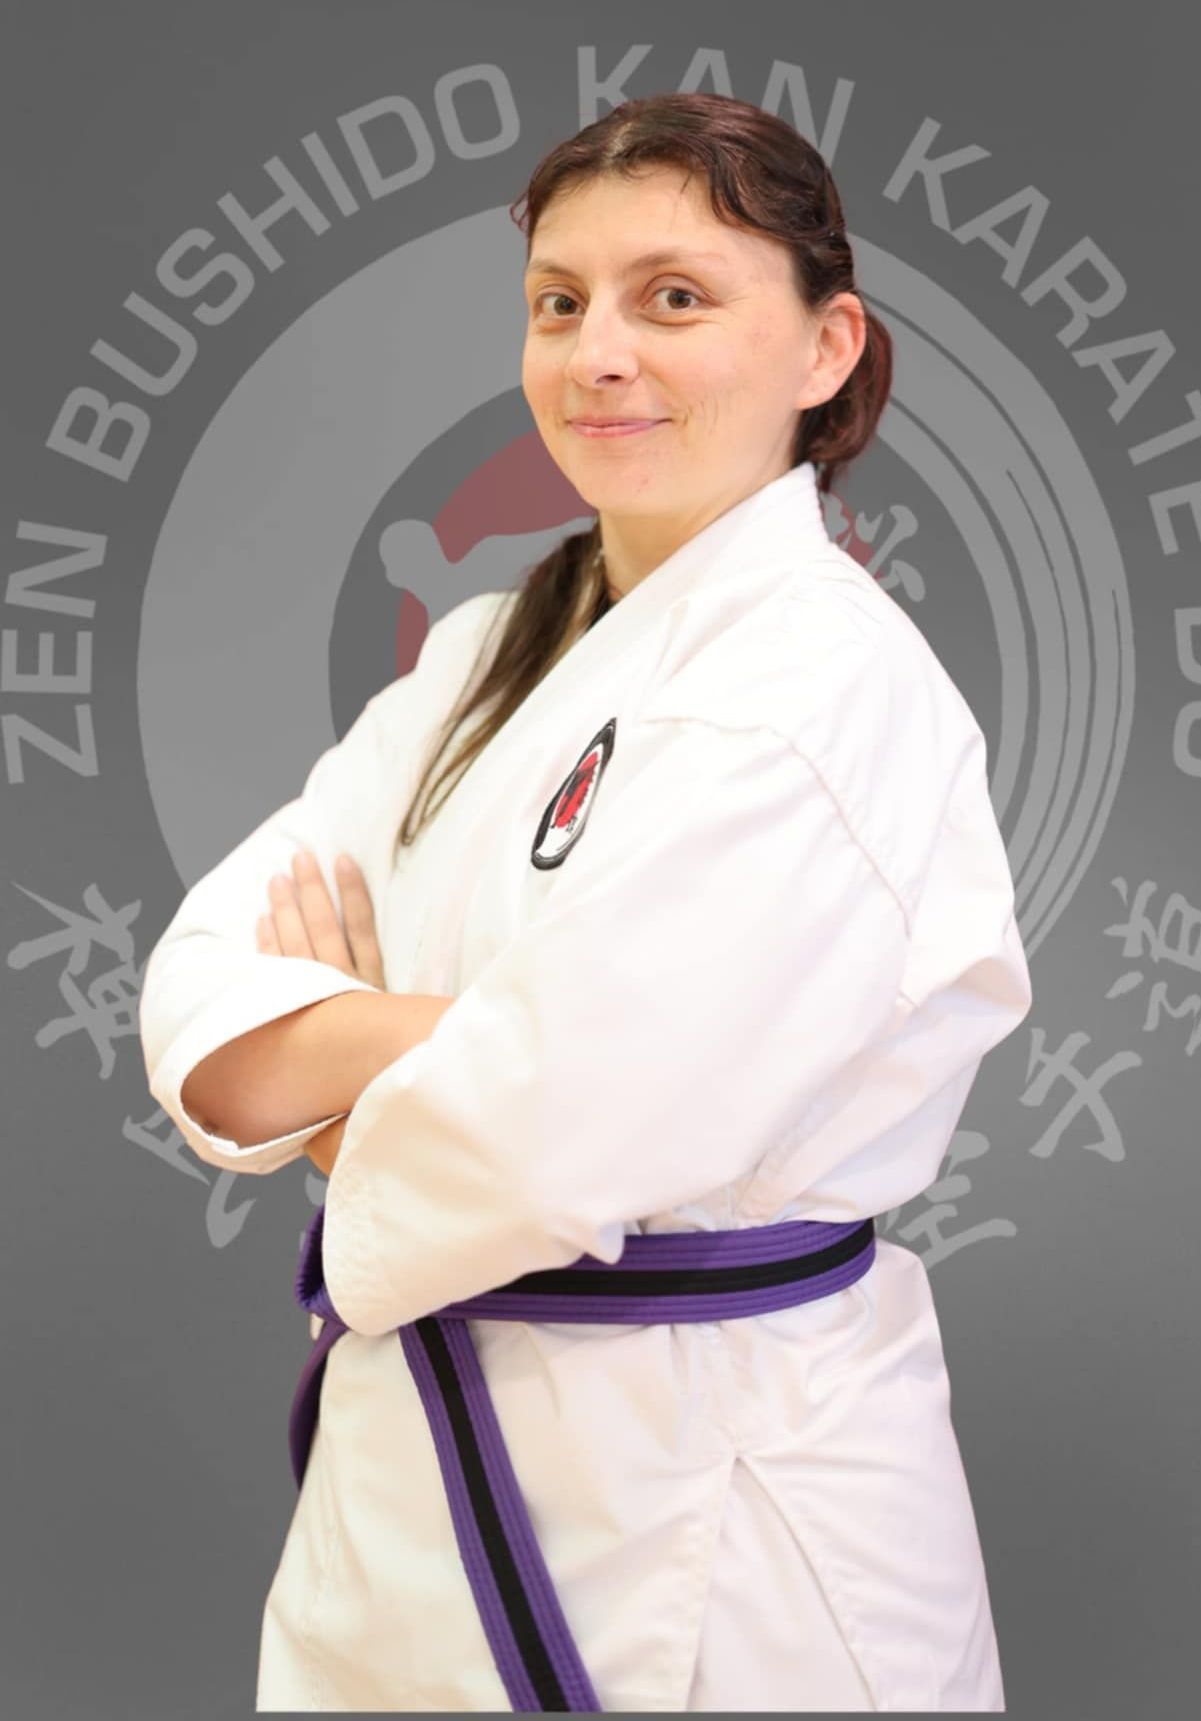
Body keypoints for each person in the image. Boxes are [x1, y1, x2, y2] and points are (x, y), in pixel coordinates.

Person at [139, 91, 1032, 1712]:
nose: (595, 353)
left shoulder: (824, 686)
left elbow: (564, 1133)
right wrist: (469, 1044)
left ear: (827, 346)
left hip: (715, 1505)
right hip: (403, 1473)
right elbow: (207, 993)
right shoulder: (486, 651)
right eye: (561, 302)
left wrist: (348, 1071)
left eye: (672, 298)